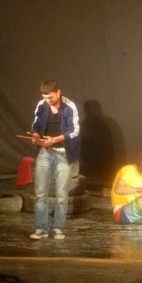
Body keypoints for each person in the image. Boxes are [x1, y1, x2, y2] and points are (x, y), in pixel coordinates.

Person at [29, 80, 80, 240]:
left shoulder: (69, 106)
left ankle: (58, 228)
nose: (48, 100)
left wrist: (55, 140)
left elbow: (75, 130)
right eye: (45, 97)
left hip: (63, 153)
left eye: (50, 97)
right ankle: (41, 229)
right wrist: (35, 135)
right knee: (40, 193)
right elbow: (36, 125)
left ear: (58, 92)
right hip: (45, 152)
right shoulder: (41, 105)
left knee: (61, 195)